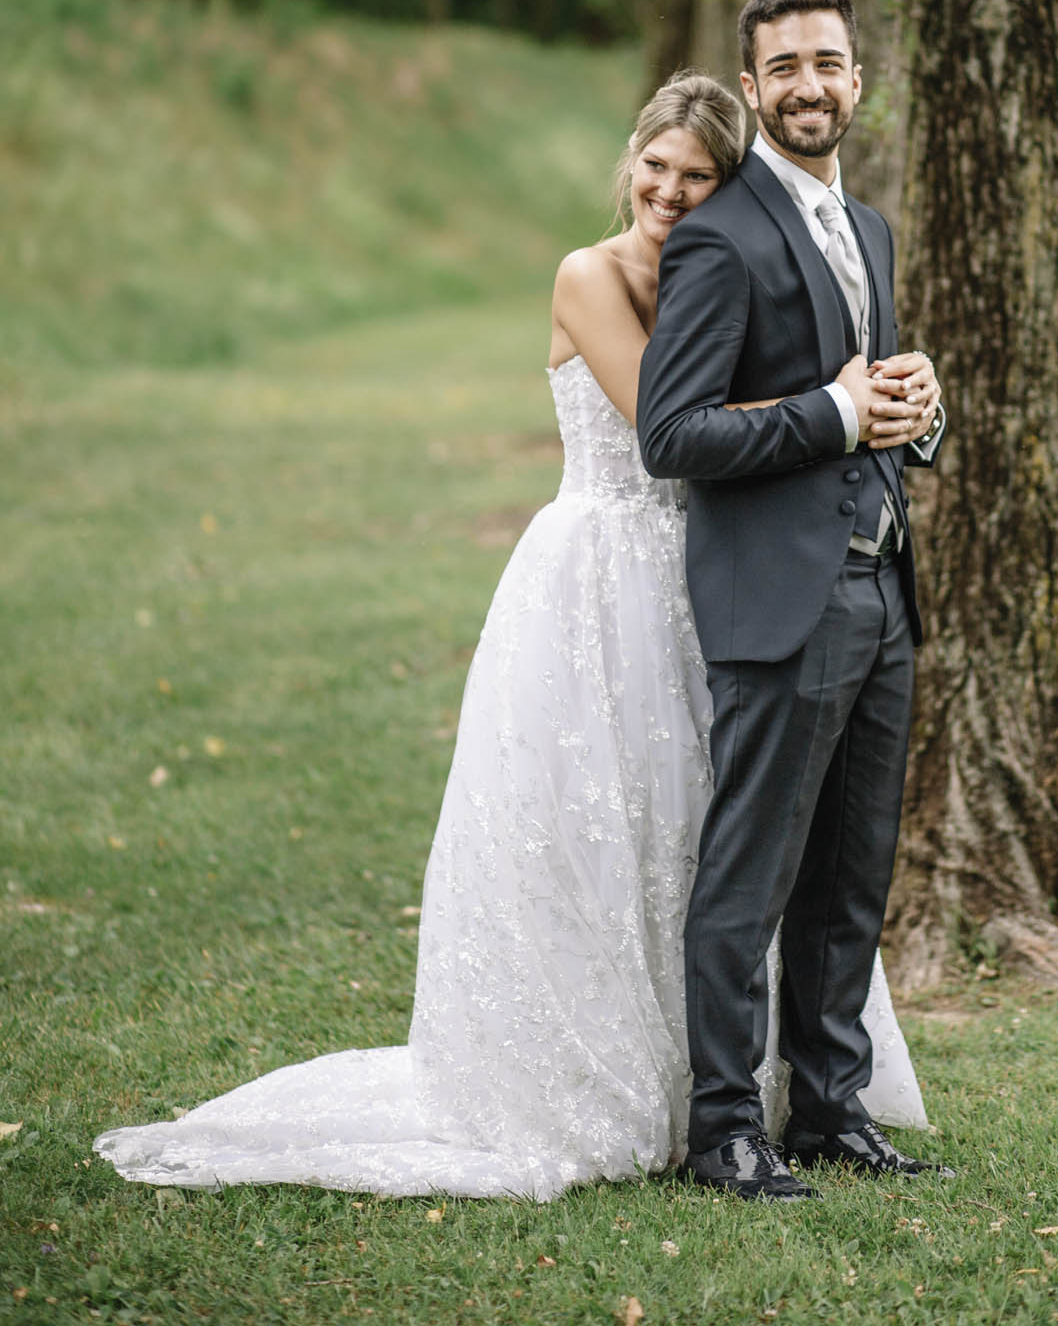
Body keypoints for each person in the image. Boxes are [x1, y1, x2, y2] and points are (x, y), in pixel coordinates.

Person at [94, 71, 926, 1201]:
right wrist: (827, 400)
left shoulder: (722, 269)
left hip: (713, 580)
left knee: (701, 831)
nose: (671, 193)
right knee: (597, 829)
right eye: (656, 168)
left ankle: (743, 1084)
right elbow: (663, 431)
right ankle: (603, 1080)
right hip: (598, 578)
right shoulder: (590, 274)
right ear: (628, 161)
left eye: (699, 178)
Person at [638, 0, 950, 1203]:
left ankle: (826, 1108)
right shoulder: (720, 233)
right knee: (750, 875)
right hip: (778, 599)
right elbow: (674, 431)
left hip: (880, 587)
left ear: (857, 81)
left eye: (830, 61)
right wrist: (830, 411)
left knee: (849, 874)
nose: (811, 83)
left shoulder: (865, 227)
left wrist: (914, 411)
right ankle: (724, 1128)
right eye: (786, 66)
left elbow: (866, 398)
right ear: (753, 83)